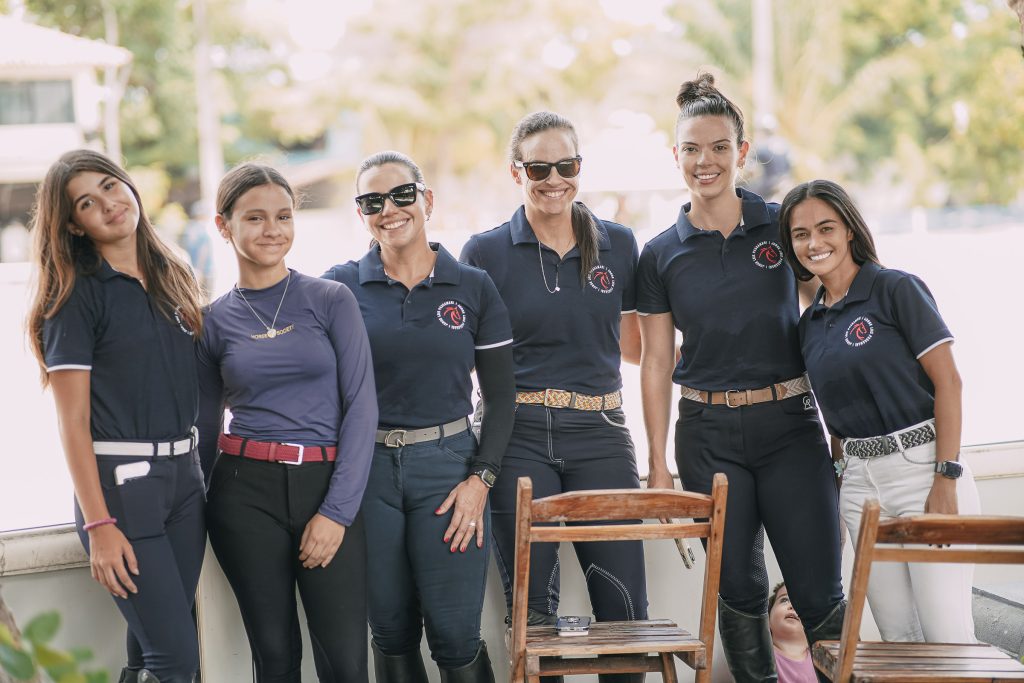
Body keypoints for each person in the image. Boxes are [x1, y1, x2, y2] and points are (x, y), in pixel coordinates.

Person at [636, 74, 846, 682]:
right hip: (707, 436)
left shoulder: (784, 227)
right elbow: (656, 361)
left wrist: (848, 425)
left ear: (742, 152)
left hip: (790, 428)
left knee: (817, 588)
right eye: (692, 149)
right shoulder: (660, 254)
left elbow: (835, 310)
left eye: (719, 147)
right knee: (739, 589)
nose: (706, 161)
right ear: (675, 156)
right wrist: (657, 463)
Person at [461, 111, 648, 683]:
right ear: (515, 171)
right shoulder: (485, 252)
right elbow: (460, 356)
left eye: (566, 166)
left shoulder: (619, 243)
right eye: (538, 168)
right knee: (533, 615)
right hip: (516, 434)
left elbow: (636, 347)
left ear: (579, 167)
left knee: (624, 610)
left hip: (601, 432)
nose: (554, 179)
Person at [322, 151, 515, 683]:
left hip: (448, 470)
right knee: (389, 630)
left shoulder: (473, 286)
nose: (389, 210)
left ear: (427, 200)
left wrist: (480, 480)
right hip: (367, 472)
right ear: (360, 213)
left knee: (455, 635)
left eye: (401, 195)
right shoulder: (339, 287)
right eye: (372, 201)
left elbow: (501, 399)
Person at [28, 150, 206, 683]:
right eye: (86, 203)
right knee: (176, 660)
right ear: (74, 226)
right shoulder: (74, 296)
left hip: (185, 482)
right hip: (124, 491)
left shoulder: (172, 272)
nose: (107, 204)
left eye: (109, 186)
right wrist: (100, 525)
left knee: (153, 652)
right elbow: (72, 423)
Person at [196, 163, 377, 682]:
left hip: (326, 484)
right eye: (255, 217)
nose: (272, 229)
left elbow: (362, 406)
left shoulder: (330, 300)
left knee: (345, 661)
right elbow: (204, 430)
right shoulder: (211, 321)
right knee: (274, 657)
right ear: (223, 226)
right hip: (243, 493)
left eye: (283, 215)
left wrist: (337, 512)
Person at [779, 178, 981, 643]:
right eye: (801, 234)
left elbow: (949, 382)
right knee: (897, 640)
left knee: (946, 635)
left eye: (826, 228)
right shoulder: (809, 325)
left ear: (849, 229)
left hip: (923, 471)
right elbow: (835, 418)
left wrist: (946, 478)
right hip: (860, 488)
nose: (814, 243)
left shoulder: (895, 289)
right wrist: (840, 486)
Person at [768, 584, 817, 683]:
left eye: (804, 605)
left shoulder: (821, 663)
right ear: (767, 618)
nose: (793, 606)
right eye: (784, 600)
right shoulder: (759, 653)